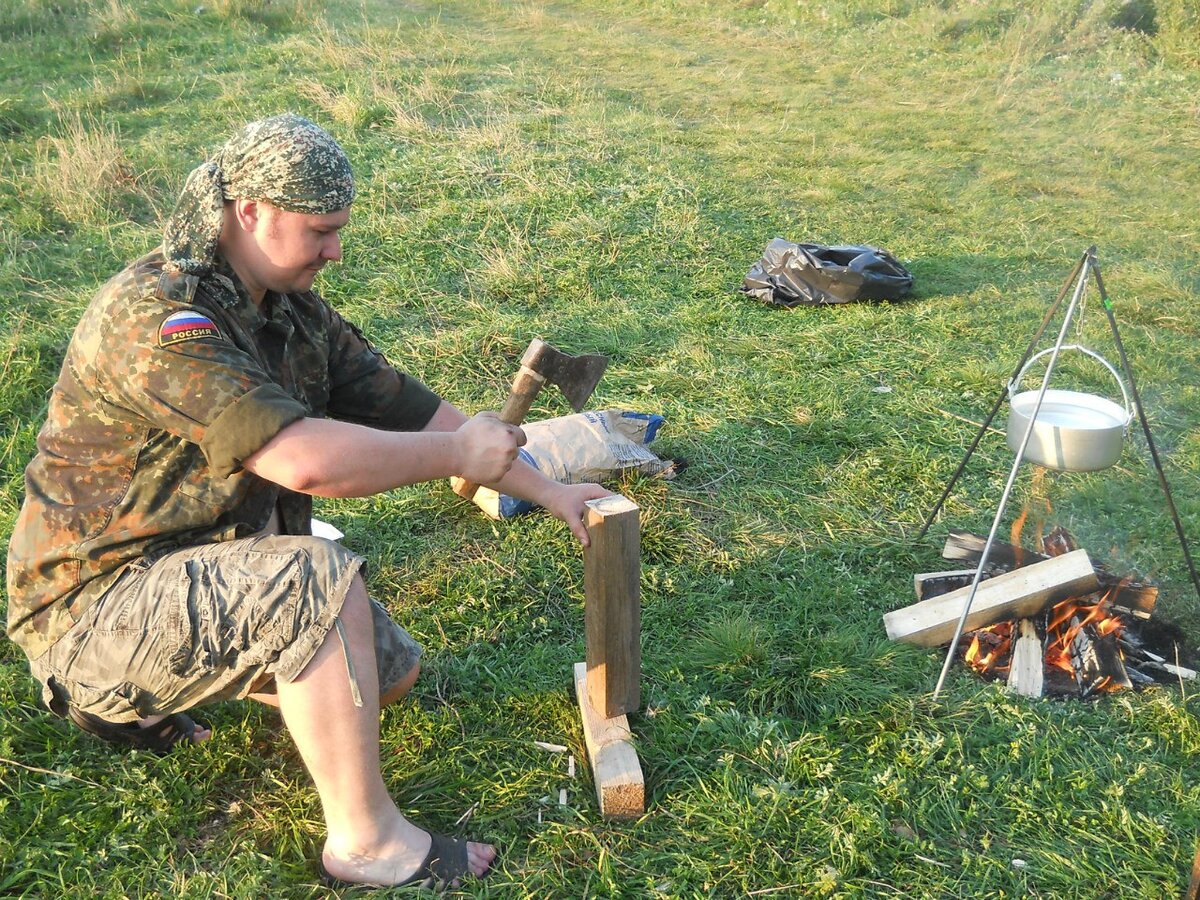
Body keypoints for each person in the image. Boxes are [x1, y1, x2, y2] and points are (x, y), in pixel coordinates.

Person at [5, 113, 611, 890]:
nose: (335, 251)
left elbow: (416, 412)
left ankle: (150, 697)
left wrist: (549, 490)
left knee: (389, 674)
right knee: (310, 584)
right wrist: (457, 458)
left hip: (184, 563)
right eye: (322, 231)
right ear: (250, 211)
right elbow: (306, 464)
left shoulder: (290, 310)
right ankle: (365, 845)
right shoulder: (159, 316)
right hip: (88, 608)